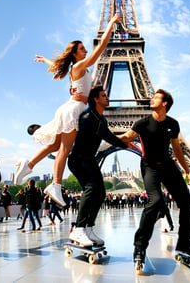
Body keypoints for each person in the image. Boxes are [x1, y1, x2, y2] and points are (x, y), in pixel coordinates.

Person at [14, 13, 121, 206]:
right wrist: (111, 23)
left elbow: (57, 67)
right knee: (65, 148)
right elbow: (100, 50)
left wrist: (46, 61)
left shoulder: (79, 68)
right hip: (74, 110)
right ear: (75, 54)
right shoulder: (79, 66)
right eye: (82, 48)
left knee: (55, 146)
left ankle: (28, 165)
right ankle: (55, 184)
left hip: (74, 108)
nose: (86, 50)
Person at [119, 89, 190, 265]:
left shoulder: (173, 124)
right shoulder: (142, 123)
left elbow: (177, 149)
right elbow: (127, 137)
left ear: (165, 103)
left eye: (156, 97)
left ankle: (184, 242)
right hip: (150, 166)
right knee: (155, 200)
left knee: (187, 203)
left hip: (168, 165)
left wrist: (187, 170)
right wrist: (103, 134)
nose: (152, 99)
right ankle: (140, 245)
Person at [68, 85, 130, 247]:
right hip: (79, 160)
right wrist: (124, 143)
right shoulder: (88, 117)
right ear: (95, 99)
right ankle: (79, 228)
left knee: (101, 192)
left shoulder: (101, 119)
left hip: (89, 160)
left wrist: (126, 145)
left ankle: (88, 228)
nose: (107, 97)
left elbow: (109, 136)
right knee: (91, 188)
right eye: (104, 96)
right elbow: (106, 136)